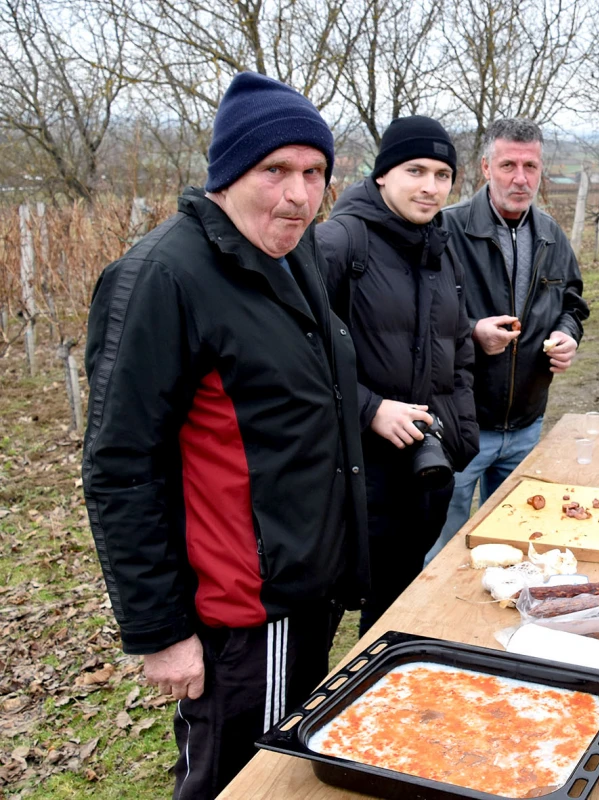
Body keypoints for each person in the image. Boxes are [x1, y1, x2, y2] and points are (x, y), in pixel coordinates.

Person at [80, 72, 368, 800]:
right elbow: (121, 465)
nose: (298, 196)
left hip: (308, 585)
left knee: (285, 770)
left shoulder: (289, 249)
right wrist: (160, 631)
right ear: (228, 172)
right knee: (237, 782)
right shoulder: (162, 277)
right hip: (244, 605)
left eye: (313, 173)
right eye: (275, 171)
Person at [316, 115, 479, 637]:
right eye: (415, 170)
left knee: (392, 614)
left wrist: (456, 433)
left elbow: (456, 349)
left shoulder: (440, 245)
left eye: (441, 174)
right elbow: (296, 356)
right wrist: (369, 410)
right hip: (352, 475)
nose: (430, 187)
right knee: (322, 618)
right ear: (383, 174)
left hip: (422, 471)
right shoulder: (339, 243)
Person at [430, 118, 589, 559]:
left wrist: (566, 333)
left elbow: (572, 302)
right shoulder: (447, 230)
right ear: (485, 167)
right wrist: (471, 332)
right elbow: (417, 319)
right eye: (508, 165)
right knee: (444, 552)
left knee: (517, 548)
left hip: (526, 424)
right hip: (461, 427)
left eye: (531, 166)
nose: (520, 179)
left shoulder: (551, 235)